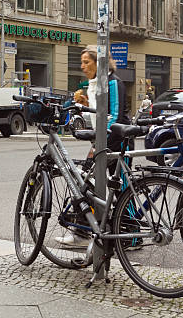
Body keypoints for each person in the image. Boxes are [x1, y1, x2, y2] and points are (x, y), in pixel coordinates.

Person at [57, 45, 131, 246]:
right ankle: (91, 230)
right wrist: (85, 102)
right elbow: (99, 113)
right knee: (89, 182)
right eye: (81, 62)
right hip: (105, 140)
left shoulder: (113, 82)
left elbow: (115, 115)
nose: (82, 66)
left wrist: (99, 142)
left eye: (86, 62)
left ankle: (127, 234)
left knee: (118, 188)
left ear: (99, 63)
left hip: (116, 141)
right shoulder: (96, 83)